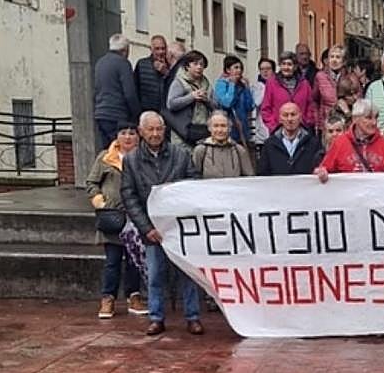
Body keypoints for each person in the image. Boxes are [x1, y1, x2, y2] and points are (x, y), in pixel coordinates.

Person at [120, 111, 202, 336]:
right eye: (151, 129)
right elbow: (129, 197)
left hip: (179, 227)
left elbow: (193, 184)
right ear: (141, 132)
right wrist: (146, 228)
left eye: (159, 129)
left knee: (188, 273)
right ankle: (156, 317)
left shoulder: (181, 154)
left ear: (165, 130)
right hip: (152, 230)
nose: (155, 134)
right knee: (155, 274)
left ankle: (193, 317)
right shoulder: (131, 160)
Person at [86, 119, 147, 319]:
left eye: (131, 133)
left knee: (134, 260)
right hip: (113, 217)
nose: (128, 137)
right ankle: (108, 297)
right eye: (123, 133)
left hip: (135, 217)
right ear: (116, 136)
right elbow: (92, 182)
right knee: (112, 260)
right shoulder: (105, 157)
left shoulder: (142, 157)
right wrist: (99, 201)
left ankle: (134, 296)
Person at [315, 100, 384, 180]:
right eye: (368, 118)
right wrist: (321, 173)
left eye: (376, 117)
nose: (374, 122)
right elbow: (324, 170)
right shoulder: (340, 143)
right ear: (355, 119)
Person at [93, 34, 141, 151]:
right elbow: (129, 93)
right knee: (121, 150)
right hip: (117, 115)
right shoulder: (123, 64)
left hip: (101, 114)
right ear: (125, 50)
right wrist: (137, 114)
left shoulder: (100, 62)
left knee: (108, 151)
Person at [165, 50, 217, 145]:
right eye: (195, 64)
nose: (199, 67)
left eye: (202, 64)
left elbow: (216, 107)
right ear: (187, 66)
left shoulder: (207, 84)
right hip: (183, 133)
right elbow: (171, 104)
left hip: (202, 131)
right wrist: (191, 97)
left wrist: (207, 100)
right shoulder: (179, 82)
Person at [259, 102, 324, 175]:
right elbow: (263, 174)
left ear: (300, 117)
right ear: (280, 119)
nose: (289, 119)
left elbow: (320, 167)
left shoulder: (313, 143)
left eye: (293, 115)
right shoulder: (269, 144)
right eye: (285, 115)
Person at [261, 51, 315, 136]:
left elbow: (311, 106)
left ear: (295, 66)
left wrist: (306, 122)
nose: (286, 67)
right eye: (283, 64)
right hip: (278, 131)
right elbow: (265, 109)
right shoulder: (272, 83)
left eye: (289, 64)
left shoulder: (304, 84)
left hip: (301, 130)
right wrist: (274, 126)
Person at [192, 111, 256, 178]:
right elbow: (195, 177)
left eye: (223, 126)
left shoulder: (239, 150)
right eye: (215, 126)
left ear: (229, 128)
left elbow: (249, 178)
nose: (220, 130)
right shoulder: (201, 150)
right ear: (209, 128)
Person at [214, 55, 256, 145]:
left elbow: (250, 106)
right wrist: (232, 85)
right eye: (236, 68)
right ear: (228, 70)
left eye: (240, 68)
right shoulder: (221, 84)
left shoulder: (242, 85)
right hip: (228, 129)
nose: (239, 70)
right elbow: (227, 103)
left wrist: (247, 88)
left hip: (242, 129)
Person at [313, 45, 350, 125]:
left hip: (345, 122)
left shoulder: (350, 77)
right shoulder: (320, 76)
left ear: (344, 61)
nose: (334, 60)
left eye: (338, 57)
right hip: (326, 122)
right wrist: (317, 122)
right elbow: (315, 100)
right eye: (332, 57)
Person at [134, 35, 169, 114]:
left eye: (163, 48)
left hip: (166, 112)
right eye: (157, 49)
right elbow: (135, 89)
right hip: (147, 111)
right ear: (151, 49)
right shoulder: (142, 64)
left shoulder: (171, 65)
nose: (160, 52)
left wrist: (166, 72)